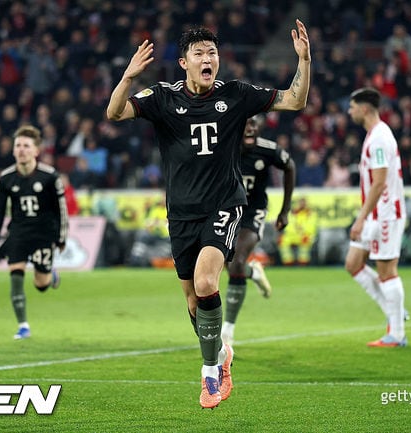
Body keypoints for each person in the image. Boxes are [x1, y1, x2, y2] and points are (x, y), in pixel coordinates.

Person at [106, 20, 310, 408]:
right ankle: (221, 354)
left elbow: (294, 100)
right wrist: (129, 77)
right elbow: (115, 113)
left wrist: (304, 61)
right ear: (184, 62)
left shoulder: (236, 94)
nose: (207, 59)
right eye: (199, 53)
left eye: (212, 53)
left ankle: (209, 373)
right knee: (193, 303)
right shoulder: (163, 97)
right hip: (181, 214)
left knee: (205, 282)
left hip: (224, 205)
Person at [0, 125, 68, 340]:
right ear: (13, 150)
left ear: (36, 151)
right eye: (18, 146)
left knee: (41, 285)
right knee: (15, 274)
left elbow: (61, 209)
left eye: (26, 146)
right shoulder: (6, 179)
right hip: (19, 232)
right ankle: (23, 326)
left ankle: (50, 275)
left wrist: (61, 237)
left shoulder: (49, 177)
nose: (21, 150)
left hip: (44, 233)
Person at [221, 114, 296, 347]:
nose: (251, 128)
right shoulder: (223, 147)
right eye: (245, 124)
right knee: (227, 262)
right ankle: (253, 273)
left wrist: (285, 210)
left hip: (252, 212)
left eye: (253, 123)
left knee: (236, 262)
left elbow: (290, 166)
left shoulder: (268, 150)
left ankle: (227, 331)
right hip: (225, 211)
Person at [344, 88, 408, 348]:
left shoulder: (380, 138)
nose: (350, 112)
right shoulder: (374, 135)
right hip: (375, 215)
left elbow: (380, 183)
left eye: (352, 107)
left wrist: (360, 218)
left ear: (364, 109)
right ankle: (394, 310)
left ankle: (397, 333)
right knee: (353, 263)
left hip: (385, 215)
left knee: (386, 271)